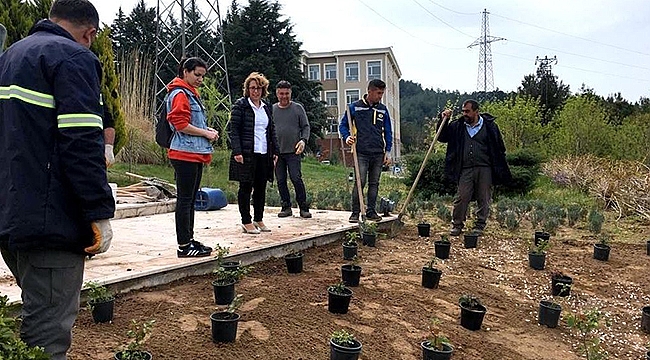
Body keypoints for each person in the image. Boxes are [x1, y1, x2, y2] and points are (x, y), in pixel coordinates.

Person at [0, 1, 114, 359]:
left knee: (38, 312)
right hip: (52, 224)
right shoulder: (74, 59)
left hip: (12, 216)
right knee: (46, 337)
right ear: (89, 33)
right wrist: (99, 211)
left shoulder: (11, 56)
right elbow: (81, 142)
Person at [165, 57, 218, 257]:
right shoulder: (179, 93)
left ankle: (189, 239)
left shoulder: (190, 93)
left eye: (203, 76)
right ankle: (184, 246)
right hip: (184, 153)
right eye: (197, 75)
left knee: (190, 199)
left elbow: (190, 123)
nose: (200, 80)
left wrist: (205, 130)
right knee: (185, 200)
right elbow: (179, 124)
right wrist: (204, 133)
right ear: (185, 72)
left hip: (194, 153)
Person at [438, 99, 512, 236]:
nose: (464, 114)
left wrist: (498, 163)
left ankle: (480, 225)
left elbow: (499, 146)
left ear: (476, 112)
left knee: (483, 197)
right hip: (465, 168)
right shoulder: (458, 126)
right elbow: (442, 137)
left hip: (485, 168)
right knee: (462, 196)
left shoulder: (490, 127)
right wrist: (443, 120)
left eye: (467, 111)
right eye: (463, 111)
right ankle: (457, 224)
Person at [228, 72, 278, 234]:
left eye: (258, 88)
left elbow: (271, 130)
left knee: (261, 187)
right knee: (245, 187)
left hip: (264, 153)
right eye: (252, 88)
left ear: (263, 90)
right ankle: (246, 221)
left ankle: (259, 218)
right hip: (246, 153)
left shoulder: (266, 107)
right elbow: (233, 130)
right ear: (247, 89)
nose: (255, 91)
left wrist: (275, 151)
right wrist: (237, 151)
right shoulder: (240, 106)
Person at [339, 79, 393, 223]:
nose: (380, 96)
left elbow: (388, 131)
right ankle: (355, 212)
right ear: (370, 91)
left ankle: (371, 211)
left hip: (378, 152)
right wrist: (347, 137)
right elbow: (343, 125)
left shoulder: (382, 109)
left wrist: (388, 151)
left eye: (382, 93)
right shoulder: (354, 107)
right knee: (360, 181)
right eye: (378, 93)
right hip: (361, 152)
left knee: (374, 183)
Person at [273, 80, 311, 218]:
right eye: (281, 93)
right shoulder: (272, 110)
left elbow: (306, 126)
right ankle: (286, 206)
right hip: (277, 152)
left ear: (291, 93)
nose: (284, 96)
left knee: (296, 178)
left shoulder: (297, 108)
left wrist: (303, 140)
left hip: (294, 151)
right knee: (281, 179)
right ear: (277, 94)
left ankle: (303, 207)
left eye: (287, 93)